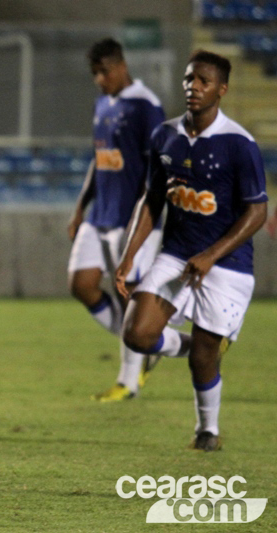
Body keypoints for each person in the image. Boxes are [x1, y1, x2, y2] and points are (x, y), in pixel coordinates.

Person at [115, 50, 268, 451]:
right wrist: (130, 253)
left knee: (204, 360)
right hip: (176, 254)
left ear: (222, 89)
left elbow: (257, 211)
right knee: (136, 333)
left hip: (228, 265)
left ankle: (208, 431)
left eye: (202, 81)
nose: (193, 87)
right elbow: (151, 200)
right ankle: (182, 344)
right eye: (188, 79)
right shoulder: (164, 135)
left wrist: (212, 255)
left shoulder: (239, 144)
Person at [67, 38, 170, 402]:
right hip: (100, 215)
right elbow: (100, 158)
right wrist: (81, 206)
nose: (99, 79)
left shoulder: (146, 107)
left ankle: (128, 381)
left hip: (131, 217)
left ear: (121, 66)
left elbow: (157, 170)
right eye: (94, 73)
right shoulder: (102, 104)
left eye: (103, 71)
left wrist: (143, 218)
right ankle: (149, 342)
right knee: (81, 283)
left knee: (127, 295)